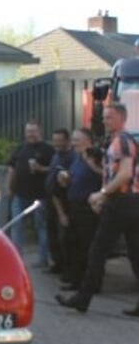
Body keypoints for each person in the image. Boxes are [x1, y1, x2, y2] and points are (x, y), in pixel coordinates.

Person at [56, 104, 139, 314]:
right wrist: (104, 194)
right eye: (104, 117)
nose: (104, 121)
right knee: (136, 253)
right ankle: (83, 298)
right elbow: (113, 174)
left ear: (121, 118)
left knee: (97, 250)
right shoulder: (117, 141)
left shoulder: (122, 141)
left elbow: (126, 174)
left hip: (123, 202)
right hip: (127, 201)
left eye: (109, 118)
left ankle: (82, 299)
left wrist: (102, 194)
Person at [56, 129, 102, 291]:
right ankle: (77, 280)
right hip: (74, 206)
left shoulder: (95, 156)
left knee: (87, 246)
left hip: (88, 208)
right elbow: (75, 177)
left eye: (77, 140)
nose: (73, 143)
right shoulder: (77, 158)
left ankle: (91, 284)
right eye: (73, 140)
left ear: (88, 141)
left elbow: (105, 175)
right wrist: (66, 178)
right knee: (74, 244)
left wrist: (92, 164)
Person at [7, 120, 56, 268]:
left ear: (40, 131)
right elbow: (11, 168)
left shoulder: (48, 149)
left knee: (41, 227)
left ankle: (43, 259)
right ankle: (16, 259)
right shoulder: (21, 148)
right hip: (20, 194)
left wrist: (41, 168)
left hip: (40, 196)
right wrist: (9, 188)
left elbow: (54, 170)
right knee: (17, 226)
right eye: (28, 131)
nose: (30, 134)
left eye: (33, 131)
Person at [44, 128, 75, 274]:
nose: (56, 143)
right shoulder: (56, 155)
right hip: (50, 202)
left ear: (67, 141)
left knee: (65, 238)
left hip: (63, 203)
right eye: (54, 140)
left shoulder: (71, 157)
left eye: (59, 141)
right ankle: (57, 264)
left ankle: (67, 268)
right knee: (53, 235)